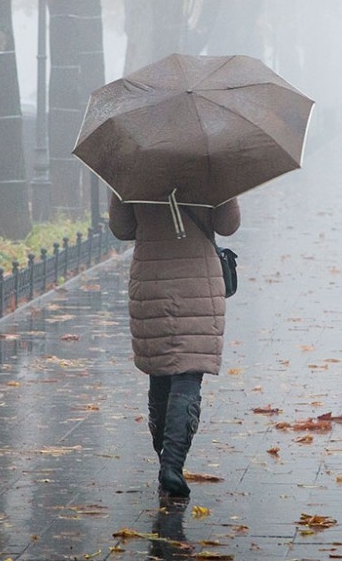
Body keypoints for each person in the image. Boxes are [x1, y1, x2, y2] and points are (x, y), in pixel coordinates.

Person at [108, 195, 241, 498]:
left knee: (160, 371)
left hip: (151, 280)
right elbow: (228, 224)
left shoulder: (134, 164)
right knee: (188, 373)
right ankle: (173, 464)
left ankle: (163, 455)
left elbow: (122, 227)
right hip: (198, 282)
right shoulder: (209, 162)